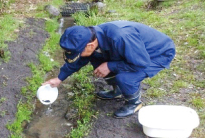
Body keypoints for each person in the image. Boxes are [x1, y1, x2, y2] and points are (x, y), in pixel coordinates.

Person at [43, 20, 176, 118]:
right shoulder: (92, 38)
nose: (76, 56)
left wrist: (110, 65)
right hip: (134, 53)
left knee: (124, 77)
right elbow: (79, 61)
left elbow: (141, 63)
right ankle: (118, 91)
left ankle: (134, 103)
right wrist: (59, 78)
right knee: (98, 61)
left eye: (77, 52)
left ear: (90, 45)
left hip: (156, 54)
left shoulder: (120, 37)